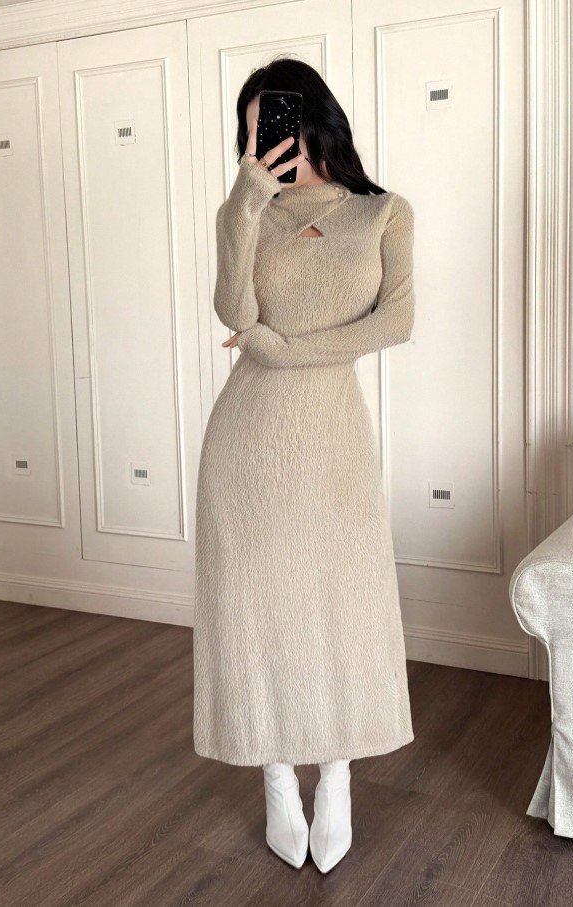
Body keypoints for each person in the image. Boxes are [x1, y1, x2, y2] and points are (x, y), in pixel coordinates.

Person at [193, 57, 416, 873]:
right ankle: (277, 777)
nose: (263, 140)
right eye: (251, 129)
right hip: (245, 444)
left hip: (332, 439)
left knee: (337, 606)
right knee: (256, 611)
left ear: (313, 117)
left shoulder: (382, 212)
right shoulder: (247, 211)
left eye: (273, 123)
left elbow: (393, 323)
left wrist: (281, 350)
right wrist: (245, 200)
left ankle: (338, 774)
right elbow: (233, 310)